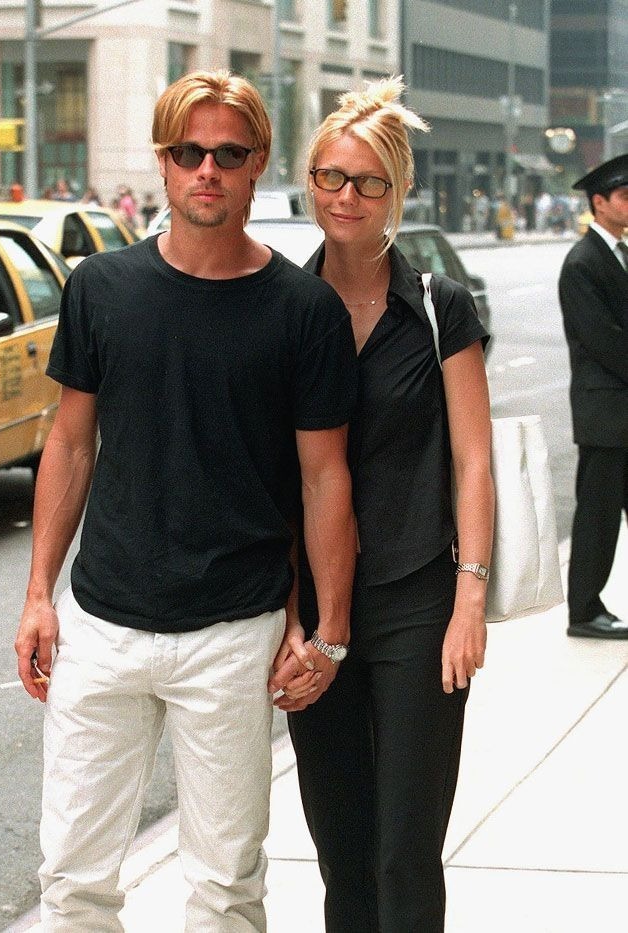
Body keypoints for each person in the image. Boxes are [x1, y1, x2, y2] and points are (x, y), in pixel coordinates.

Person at [14, 68, 358, 931]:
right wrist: (38, 594)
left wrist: (331, 630)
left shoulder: (304, 310)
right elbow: (71, 443)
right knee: (72, 880)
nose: (208, 169)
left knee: (225, 887)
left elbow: (324, 477)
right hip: (102, 624)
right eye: (188, 152)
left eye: (229, 154)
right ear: (163, 162)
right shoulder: (101, 287)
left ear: (257, 164)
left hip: (233, 635)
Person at [268, 76, 494, 933]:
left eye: (368, 181)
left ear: (396, 191)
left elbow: (473, 461)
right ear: (310, 181)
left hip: (418, 602)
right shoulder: (283, 309)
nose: (346, 196)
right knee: (342, 849)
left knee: (405, 849)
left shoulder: (438, 307)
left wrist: (469, 600)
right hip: (315, 607)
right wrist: (287, 617)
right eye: (330, 176)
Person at [558, 153, 628, 639]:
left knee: (603, 514)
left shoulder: (620, 253)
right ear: (599, 203)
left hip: (619, 411)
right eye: (624, 196)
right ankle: (583, 611)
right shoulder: (583, 262)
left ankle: (588, 606)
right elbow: (604, 341)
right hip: (606, 413)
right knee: (598, 517)